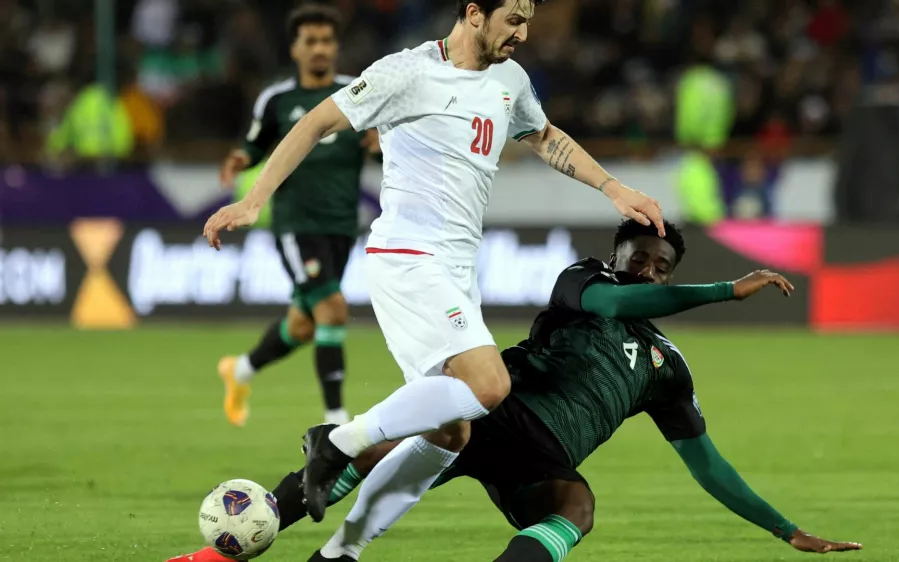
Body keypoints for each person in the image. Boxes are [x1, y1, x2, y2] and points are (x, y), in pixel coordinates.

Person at [202, 0, 665, 533]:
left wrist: (612, 187)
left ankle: (341, 550)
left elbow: (542, 135)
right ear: (474, 14)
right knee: (490, 386)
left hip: (458, 269)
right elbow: (316, 121)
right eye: (513, 21)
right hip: (407, 256)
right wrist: (253, 201)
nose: (524, 33)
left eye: (528, 22)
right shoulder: (407, 72)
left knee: (452, 432)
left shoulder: (510, 78)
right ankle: (337, 440)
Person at [170, 219, 863, 562]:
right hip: (494, 409)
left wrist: (784, 528)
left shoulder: (666, 366)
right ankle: (218, 551)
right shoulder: (582, 284)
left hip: (542, 459)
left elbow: (706, 463)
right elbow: (615, 306)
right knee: (373, 458)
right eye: (639, 259)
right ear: (617, 258)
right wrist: (724, 291)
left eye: (661, 266)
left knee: (578, 506)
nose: (648, 271)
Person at [215, 4, 380, 427]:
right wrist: (239, 158)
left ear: (336, 46)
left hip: (342, 225)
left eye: (327, 41)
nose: (320, 49)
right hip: (295, 224)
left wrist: (381, 144)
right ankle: (336, 422)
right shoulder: (277, 100)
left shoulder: (359, 93)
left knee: (304, 326)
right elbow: (254, 145)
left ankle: (240, 370)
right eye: (311, 41)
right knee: (333, 309)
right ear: (295, 49)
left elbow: (382, 141)